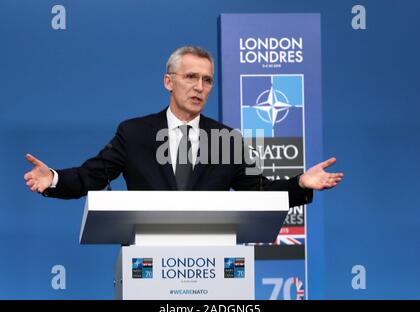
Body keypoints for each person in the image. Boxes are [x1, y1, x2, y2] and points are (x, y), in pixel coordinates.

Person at [23, 46, 343, 208]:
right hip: (147, 263)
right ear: (168, 82)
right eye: (190, 77)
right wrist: (52, 178)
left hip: (211, 263)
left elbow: (258, 193)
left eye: (207, 80)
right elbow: (89, 176)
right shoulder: (134, 133)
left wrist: (300, 182)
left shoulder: (227, 139)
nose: (199, 87)